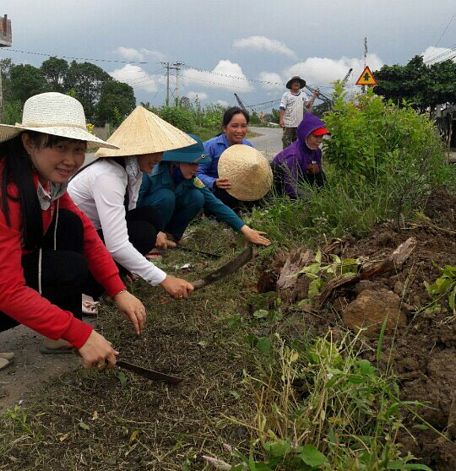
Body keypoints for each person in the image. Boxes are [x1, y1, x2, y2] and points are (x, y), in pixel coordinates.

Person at [0, 92, 146, 369]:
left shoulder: (47, 183)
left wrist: (118, 290)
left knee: (69, 226)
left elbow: (88, 233)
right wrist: (80, 334)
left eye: (78, 149)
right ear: (29, 142)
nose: (71, 160)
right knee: (65, 268)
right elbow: (6, 290)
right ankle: (59, 330)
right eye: (60, 147)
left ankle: (55, 333)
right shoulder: (7, 192)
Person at [68, 106, 196, 300]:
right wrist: (163, 278)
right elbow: (117, 244)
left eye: (161, 151)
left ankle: (116, 272)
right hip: (72, 245)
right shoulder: (108, 176)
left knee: (149, 218)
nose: (159, 158)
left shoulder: (133, 171)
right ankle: (87, 290)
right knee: (142, 234)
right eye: (154, 151)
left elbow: (129, 213)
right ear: (137, 149)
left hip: (94, 233)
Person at [137, 134, 271, 246]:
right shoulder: (151, 175)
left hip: (165, 219)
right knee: (166, 196)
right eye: (192, 163)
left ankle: (171, 236)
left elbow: (215, 204)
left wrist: (245, 230)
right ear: (176, 162)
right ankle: (151, 241)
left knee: (197, 197)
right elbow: (133, 208)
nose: (196, 168)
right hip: (145, 222)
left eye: (198, 164)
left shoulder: (191, 178)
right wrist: (153, 232)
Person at [197, 107, 253, 209]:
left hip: (242, 189)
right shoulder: (210, 146)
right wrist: (213, 182)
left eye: (243, 126)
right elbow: (197, 173)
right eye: (234, 126)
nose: (239, 131)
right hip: (218, 191)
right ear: (224, 128)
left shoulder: (248, 146)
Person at [272, 112, 330, 199]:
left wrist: (327, 195)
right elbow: (290, 187)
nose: (319, 140)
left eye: (321, 136)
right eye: (316, 136)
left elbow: (320, 176)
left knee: (315, 169)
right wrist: (313, 199)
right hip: (281, 184)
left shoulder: (317, 152)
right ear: (305, 135)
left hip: (299, 178)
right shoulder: (294, 155)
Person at [279, 75, 320, 149]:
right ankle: (286, 159)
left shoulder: (303, 94)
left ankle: (296, 159)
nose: (296, 83)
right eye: (294, 82)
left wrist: (314, 96)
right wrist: (281, 120)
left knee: (297, 143)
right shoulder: (286, 95)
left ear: (300, 85)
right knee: (286, 142)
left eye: (298, 82)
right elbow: (282, 108)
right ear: (291, 85)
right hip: (288, 124)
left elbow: (307, 105)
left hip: (299, 124)